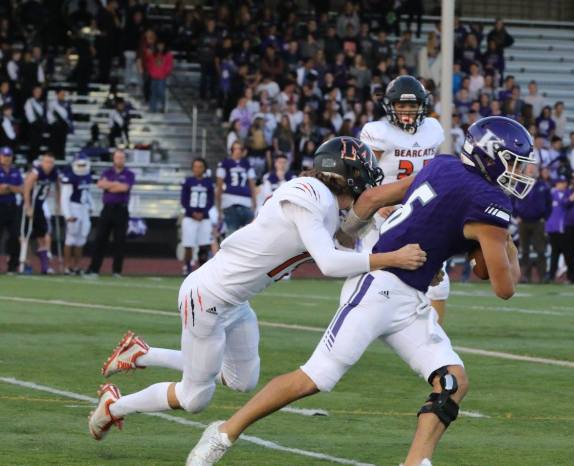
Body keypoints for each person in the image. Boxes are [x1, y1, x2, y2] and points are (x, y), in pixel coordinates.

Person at [185, 116, 530, 466]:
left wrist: (346, 236)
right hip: (379, 289)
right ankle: (224, 432)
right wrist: (508, 244)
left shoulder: (443, 165)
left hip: (410, 297)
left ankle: (415, 462)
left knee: (452, 380)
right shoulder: (489, 200)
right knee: (314, 378)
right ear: (491, 155)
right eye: (515, 163)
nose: (520, 173)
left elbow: (373, 197)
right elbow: (504, 287)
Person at [88, 137, 426, 441]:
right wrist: (392, 258)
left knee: (242, 380)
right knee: (195, 397)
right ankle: (113, 406)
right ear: (347, 174)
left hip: (235, 301)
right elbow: (329, 262)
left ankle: (142, 354)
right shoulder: (309, 194)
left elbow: (346, 240)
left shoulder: (322, 200)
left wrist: (383, 220)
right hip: (207, 298)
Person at [359, 75, 451, 322]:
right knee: (375, 273)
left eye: (412, 105)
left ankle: (434, 334)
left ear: (422, 105)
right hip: (384, 212)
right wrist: (378, 203)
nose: (407, 110)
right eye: (401, 105)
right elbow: (361, 173)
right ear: (390, 106)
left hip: (420, 209)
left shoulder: (432, 129)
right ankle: (362, 321)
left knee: (438, 279)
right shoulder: (378, 132)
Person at [86, 150, 135, 277]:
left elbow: (124, 188)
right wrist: (115, 184)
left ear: (125, 159)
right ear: (113, 158)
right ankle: (94, 269)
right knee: (100, 239)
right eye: (117, 157)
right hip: (107, 209)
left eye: (122, 158)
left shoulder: (129, 174)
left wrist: (109, 185)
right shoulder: (107, 172)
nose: (119, 160)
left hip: (121, 209)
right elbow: (100, 184)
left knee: (119, 241)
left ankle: (116, 271)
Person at [22, 153, 61, 274]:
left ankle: (45, 266)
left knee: (42, 236)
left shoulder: (54, 173)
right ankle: (25, 263)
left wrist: (58, 203)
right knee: (25, 235)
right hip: (31, 205)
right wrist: (28, 206)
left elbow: (58, 186)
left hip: (39, 207)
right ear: (42, 162)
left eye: (51, 162)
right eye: (47, 162)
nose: (49, 165)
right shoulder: (36, 172)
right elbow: (26, 187)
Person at [514, 164, 552, 283]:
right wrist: (516, 215)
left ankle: (543, 276)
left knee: (540, 249)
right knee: (524, 250)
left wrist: (545, 217)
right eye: (529, 168)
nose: (531, 170)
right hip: (523, 221)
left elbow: (549, 203)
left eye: (533, 168)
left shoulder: (543, 185)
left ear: (537, 171)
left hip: (538, 221)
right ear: (524, 171)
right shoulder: (519, 185)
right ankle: (525, 276)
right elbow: (512, 200)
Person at [181, 158, 215, 275]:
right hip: (190, 217)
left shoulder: (208, 182)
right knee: (188, 244)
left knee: (204, 245)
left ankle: (202, 270)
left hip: (204, 218)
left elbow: (210, 201)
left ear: (204, 168)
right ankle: (187, 268)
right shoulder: (188, 181)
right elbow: (184, 200)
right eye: (195, 166)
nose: (197, 169)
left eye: (200, 167)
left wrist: (203, 213)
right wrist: (192, 213)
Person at [216, 141, 257, 236]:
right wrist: (219, 206)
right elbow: (219, 186)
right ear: (231, 150)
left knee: (249, 235)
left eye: (240, 149)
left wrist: (254, 203)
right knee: (231, 235)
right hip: (230, 202)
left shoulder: (247, 164)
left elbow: (252, 185)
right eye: (236, 149)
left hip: (246, 202)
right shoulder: (224, 163)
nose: (238, 151)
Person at [60, 155, 92, 275]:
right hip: (73, 207)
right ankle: (67, 267)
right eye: (80, 165)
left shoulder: (87, 176)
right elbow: (64, 197)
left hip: (84, 208)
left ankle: (77, 266)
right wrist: (67, 214)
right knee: (71, 237)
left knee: (82, 238)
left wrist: (91, 205)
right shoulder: (70, 177)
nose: (82, 167)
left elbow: (87, 192)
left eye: (84, 165)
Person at [0, 147, 22, 273]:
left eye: (8, 156)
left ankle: (13, 265)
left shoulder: (15, 171)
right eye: (4, 156)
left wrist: (8, 187)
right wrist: (11, 189)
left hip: (12, 206)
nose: (6, 158)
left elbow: (21, 189)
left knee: (14, 236)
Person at [546, 175, 569, 281]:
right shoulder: (551, 194)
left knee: (567, 252)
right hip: (553, 228)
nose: (562, 185)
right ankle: (551, 275)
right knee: (554, 253)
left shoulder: (569, 194)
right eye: (560, 182)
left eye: (564, 183)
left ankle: (569, 276)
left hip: (565, 228)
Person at [144, 40, 174, 113]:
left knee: (161, 92)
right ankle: (152, 108)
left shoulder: (168, 54)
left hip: (162, 77)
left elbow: (169, 65)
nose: (160, 47)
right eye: (159, 45)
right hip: (153, 76)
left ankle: (163, 107)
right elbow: (149, 62)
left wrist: (166, 72)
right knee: (153, 93)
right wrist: (150, 72)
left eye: (162, 45)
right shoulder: (153, 53)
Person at [48, 88, 74, 160]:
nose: (62, 95)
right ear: (57, 94)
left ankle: (61, 158)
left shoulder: (67, 104)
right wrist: (54, 122)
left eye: (63, 94)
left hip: (64, 126)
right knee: (54, 143)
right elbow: (49, 115)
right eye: (61, 94)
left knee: (62, 143)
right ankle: (52, 158)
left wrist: (70, 126)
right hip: (55, 127)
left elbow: (70, 116)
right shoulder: (52, 104)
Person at [24, 84, 47, 163]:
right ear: (33, 92)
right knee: (32, 146)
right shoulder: (29, 101)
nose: (38, 93)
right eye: (36, 91)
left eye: (39, 91)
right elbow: (30, 116)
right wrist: (37, 124)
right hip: (32, 128)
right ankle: (30, 163)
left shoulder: (42, 102)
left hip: (40, 128)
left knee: (38, 146)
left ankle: (36, 162)